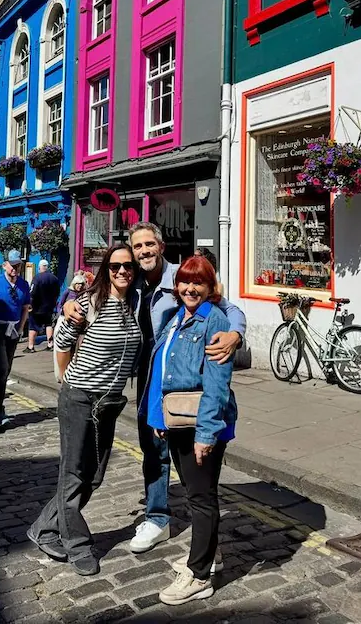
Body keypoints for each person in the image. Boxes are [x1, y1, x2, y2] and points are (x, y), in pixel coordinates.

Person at [64, 221, 246, 556]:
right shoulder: (130, 280)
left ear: (161, 246)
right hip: (147, 377)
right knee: (152, 449)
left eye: (149, 244)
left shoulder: (182, 277)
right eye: (137, 246)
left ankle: (203, 527)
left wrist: (235, 334)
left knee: (186, 455)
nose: (144, 251)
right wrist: (69, 303)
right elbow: (96, 294)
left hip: (182, 381)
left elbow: (228, 308)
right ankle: (157, 517)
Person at [28, 244, 142, 577]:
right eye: (115, 266)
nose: (122, 271)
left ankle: (43, 527)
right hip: (80, 398)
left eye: (128, 266)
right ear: (106, 270)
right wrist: (66, 378)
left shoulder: (135, 302)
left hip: (109, 403)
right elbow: (62, 341)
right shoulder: (90, 302)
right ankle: (77, 544)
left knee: (94, 476)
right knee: (74, 473)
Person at [143, 255, 236, 605]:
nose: (190, 288)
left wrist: (206, 435)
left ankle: (198, 575)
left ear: (211, 287)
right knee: (197, 493)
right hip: (178, 421)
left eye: (198, 282)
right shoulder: (177, 317)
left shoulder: (215, 321)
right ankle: (209, 555)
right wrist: (160, 420)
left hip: (200, 424)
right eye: (185, 281)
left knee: (201, 498)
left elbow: (217, 384)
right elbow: (162, 370)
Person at [0, 250, 31, 428]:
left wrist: (21, 328)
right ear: (4, 265)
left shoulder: (24, 285)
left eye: (18, 265)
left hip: (14, 329)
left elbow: (25, 308)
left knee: (5, 369)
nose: (15, 269)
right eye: (12, 265)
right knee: (2, 368)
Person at [24, 259, 60, 353]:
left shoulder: (37, 278)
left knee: (33, 326)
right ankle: (50, 344)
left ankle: (31, 347)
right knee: (48, 324)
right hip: (49, 307)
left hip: (37, 307)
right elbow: (57, 292)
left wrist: (30, 304)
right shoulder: (54, 278)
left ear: (40, 267)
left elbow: (32, 292)